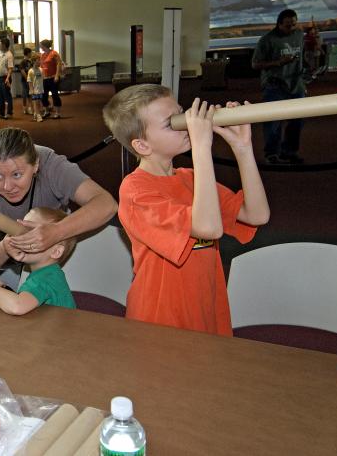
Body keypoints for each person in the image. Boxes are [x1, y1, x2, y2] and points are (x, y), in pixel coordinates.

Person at [102, 84, 270, 336]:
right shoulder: (135, 191)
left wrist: (243, 149)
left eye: (181, 113)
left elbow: (256, 214)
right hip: (160, 318)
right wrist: (201, 147)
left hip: (204, 307)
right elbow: (209, 228)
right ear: (143, 145)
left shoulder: (191, 178)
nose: (186, 124)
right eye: (172, 122)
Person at [0, 127, 117, 290]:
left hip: (55, 254)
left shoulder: (51, 165)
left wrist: (55, 232)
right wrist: (5, 248)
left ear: (36, 164)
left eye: (16, 175)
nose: (7, 186)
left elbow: (107, 204)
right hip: (4, 266)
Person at [0, 207, 77, 315]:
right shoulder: (52, 274)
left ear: (56, 252)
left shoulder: (45, 279)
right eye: (21, 231)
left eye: (32, 234)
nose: (22, 238)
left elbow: (17, 306)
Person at [252, 9, 306, 165]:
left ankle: (289, 151)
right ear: (279, 24)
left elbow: (301, 57)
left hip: (296, 85)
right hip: (274, 85)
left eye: (294, 25)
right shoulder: (267, 40)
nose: (292, 29)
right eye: (288, 26)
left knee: (297, 121)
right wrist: (278, 62)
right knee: (273, 122)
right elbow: (255, 64)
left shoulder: (299, 35)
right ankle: (272, 154)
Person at [40, 39, 63, 119]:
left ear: (45, 46)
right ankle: (46, 111)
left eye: (41, 45)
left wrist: (57, 75)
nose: (40, 47)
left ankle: (57, 112)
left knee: (55, 95)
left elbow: (58, 64)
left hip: (53, 77)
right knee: (44, 96)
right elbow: (41, 66)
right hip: (45, 78)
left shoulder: (54, 53)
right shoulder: (42, 55)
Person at [0, 37, 14, 119]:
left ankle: (9, 113)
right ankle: (1, 113)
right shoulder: (2, 55)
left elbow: (10, 68)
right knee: (0, 96)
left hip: (6, 77)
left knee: (7, 96)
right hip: (0, 78)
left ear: (4, 45)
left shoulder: (9, 55)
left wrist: (7, 78)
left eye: (0, 45)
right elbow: (1, 67)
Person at [27, 52, 45, 122]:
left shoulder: (41, 70)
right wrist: (31, 89)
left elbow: (42, 79)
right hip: (34, 90)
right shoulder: (31, 71)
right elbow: (29, 81)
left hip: (40, 89)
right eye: (38, 60)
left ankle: (36, 113)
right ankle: (38, 115)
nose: (40, 61)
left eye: (40, 60)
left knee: (39, 102)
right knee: (36, 102)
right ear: (34, 61)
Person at [19, 47, 33, 115]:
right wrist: (27, 79)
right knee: (24, 95)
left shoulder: (31, 61)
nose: (31, 54)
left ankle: (30, 108)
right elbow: (22, 71)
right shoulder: (23, 62)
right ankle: (24, 108)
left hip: (30, 81)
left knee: (30, 95)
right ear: (27, 53)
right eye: (31, 53)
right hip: (24, 81)